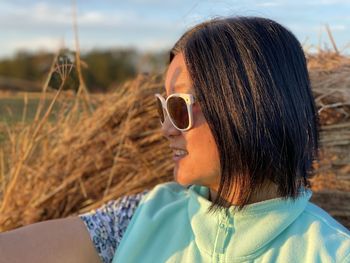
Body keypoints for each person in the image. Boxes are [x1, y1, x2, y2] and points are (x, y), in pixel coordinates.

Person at [0, 16, 349, 263]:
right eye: (162, 108)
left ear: (246, 107)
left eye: (179, 106)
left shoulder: (332, 252)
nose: (166, 128)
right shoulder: (136, 219)